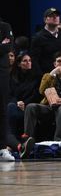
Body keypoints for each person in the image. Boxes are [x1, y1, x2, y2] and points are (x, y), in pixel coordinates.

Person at [30, 8, 61, 74]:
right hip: (47, 74)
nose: (55, 17)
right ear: (45, 20)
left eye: (57, 16)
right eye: (51, 16)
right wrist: (42, 76)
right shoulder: (38, 37)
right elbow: (34, 60)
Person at [0, 16, 14, 161]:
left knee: (2, 110)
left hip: (1, 74)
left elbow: (6, 47)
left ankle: (2, 148)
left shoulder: (4, 26)